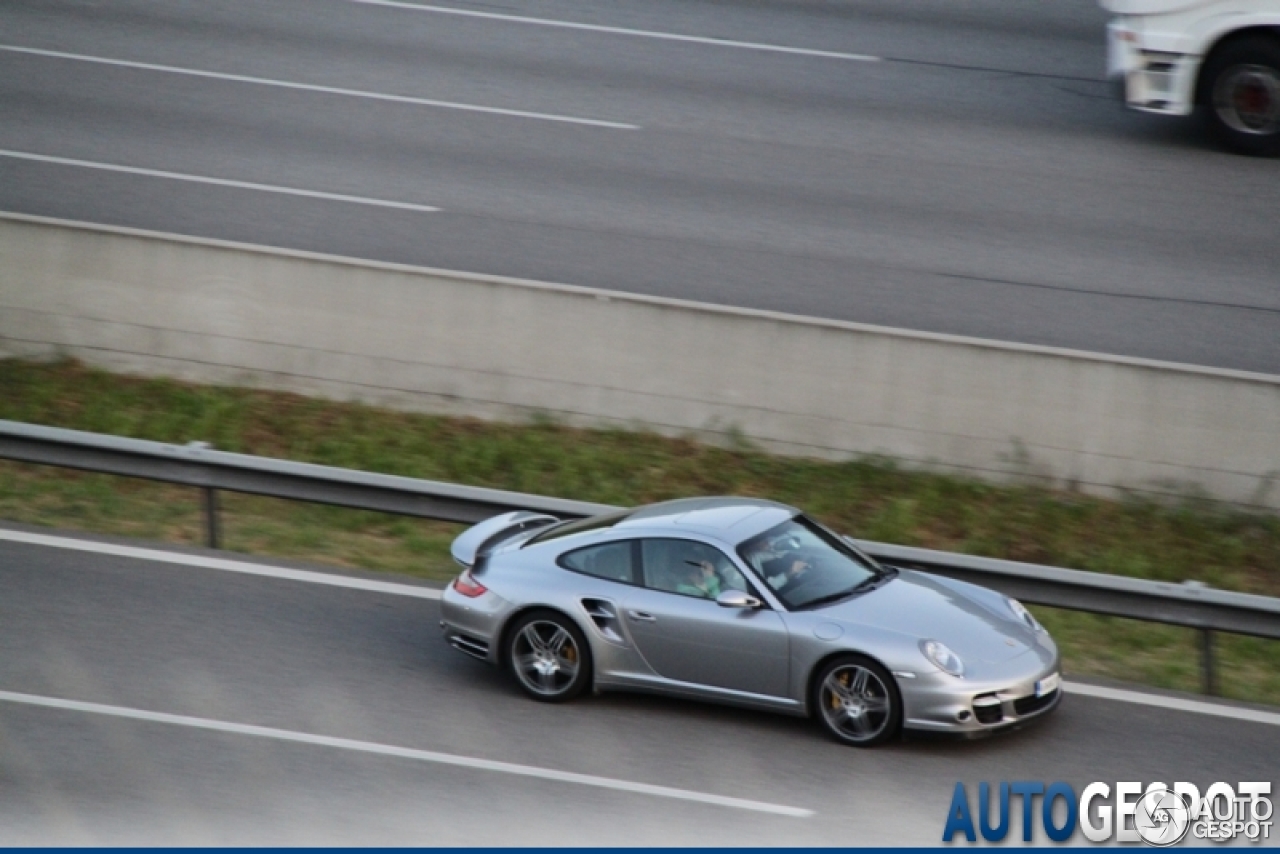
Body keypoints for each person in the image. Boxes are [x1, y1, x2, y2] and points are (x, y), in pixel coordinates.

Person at [743, 537, 810, 591]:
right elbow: (764, 589)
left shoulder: (752, 556)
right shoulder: (738, 576)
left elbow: (776, 553)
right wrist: (791, 572)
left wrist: (770, 544)